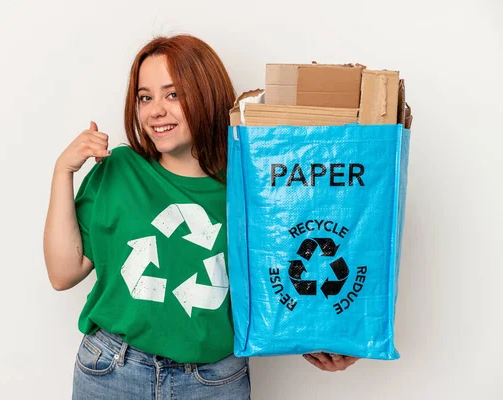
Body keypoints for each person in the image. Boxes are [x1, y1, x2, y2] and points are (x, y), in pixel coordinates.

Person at [43, 34, 357, 400]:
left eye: (173, 94)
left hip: (214, 381)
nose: (156, 110)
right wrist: (62, 171)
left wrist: (329, 340)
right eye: (145, 97)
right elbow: (63, 274)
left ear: (205, 94)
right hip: (112, 371)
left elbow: (282, 282)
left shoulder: (254, 188)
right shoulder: (119, 171)